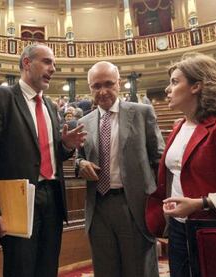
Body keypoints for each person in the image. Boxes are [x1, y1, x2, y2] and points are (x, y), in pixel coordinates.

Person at [0, 44, 86, 277]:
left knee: (47, 268)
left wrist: (65, 145)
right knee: (20, 270)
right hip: (18, 200)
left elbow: (48, 153)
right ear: (26, 63)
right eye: (46, 62)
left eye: (54, 64)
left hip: (53, 199)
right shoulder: (0, 97)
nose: (53, 69)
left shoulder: (49, 105)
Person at [146, 53, 216, 277]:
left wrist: (201, 203)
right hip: (178, 228)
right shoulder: (178, 126)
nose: (167, 89)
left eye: (175, 82)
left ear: (196, 87)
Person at [76, 61, 164, 277]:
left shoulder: (142, 112)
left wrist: (160, 204)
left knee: (138, 270)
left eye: (109, 84)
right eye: (96, 86)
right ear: (90, 88)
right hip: (98, 207)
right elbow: (79, 158)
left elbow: (159, 158)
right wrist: (81, 164)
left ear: (119, 83)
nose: (103, 91)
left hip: (134, 205)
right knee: (105, 270)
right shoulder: (84, 121)